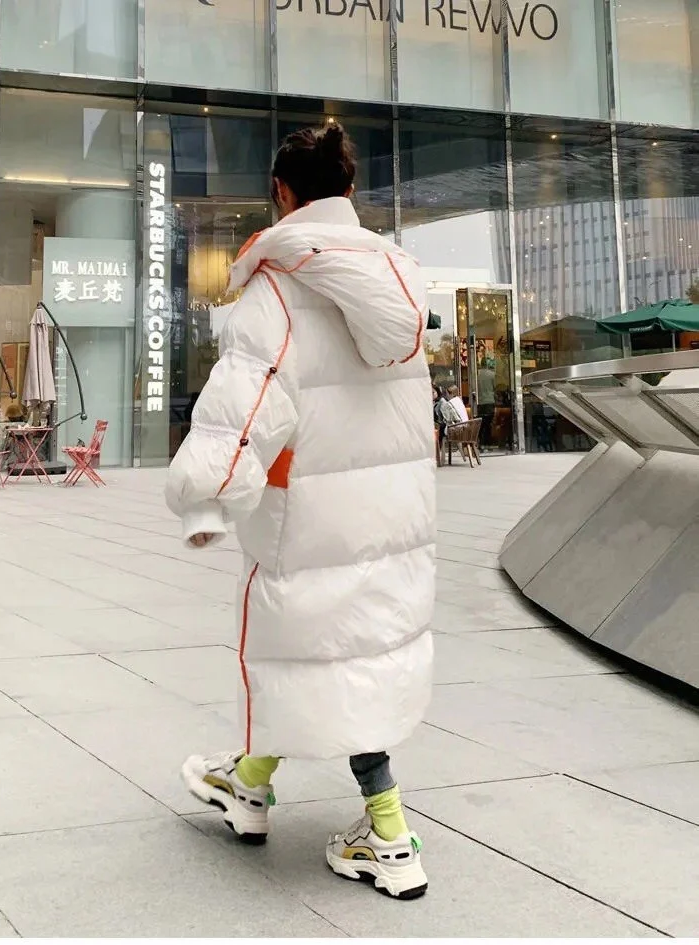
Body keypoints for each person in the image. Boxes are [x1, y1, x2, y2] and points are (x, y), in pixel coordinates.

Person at [165, 122, 435, 900]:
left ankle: (388, 834)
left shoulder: (279, 286)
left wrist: (207, 494)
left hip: (312, 514)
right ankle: (248, 783)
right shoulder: (399, 282)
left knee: (321, 655)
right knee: (351, 658)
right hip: (395, 516)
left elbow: (246, 399)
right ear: (349, 191)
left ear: (281, 193)